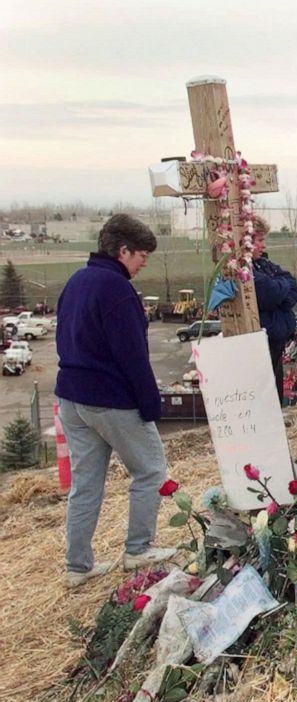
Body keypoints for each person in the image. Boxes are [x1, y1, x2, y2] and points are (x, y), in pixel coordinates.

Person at [55, 214, 176, 588]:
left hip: (71, 397)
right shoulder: (118, 290)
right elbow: (132, 356)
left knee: (86, 482)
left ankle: (78, 566)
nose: (142, 264)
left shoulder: (77, 281)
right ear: (123, 250)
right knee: (151, 470)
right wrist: (150, 404)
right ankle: (138, 548)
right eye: (141, 256)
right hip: (110, 398)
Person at [251, 216, 297, 400]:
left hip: (277, 337)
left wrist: (281, 291)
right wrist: (280, 289)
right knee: (266, 392)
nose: (264, 245)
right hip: (265, 339)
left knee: (275, 387)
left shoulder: (262, 264)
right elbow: (269, 292)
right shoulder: (246, 270)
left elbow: (292, 285)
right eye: (260, 240)